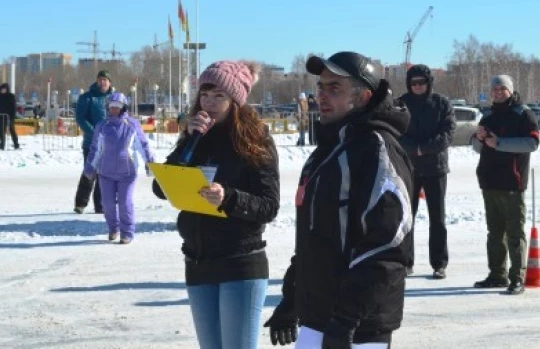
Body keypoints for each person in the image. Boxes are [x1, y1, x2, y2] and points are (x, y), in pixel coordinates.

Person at [265, 52, 413, 349]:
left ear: (362, 97)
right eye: (320, 87)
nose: (322, 95)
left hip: (359, 326)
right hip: (319, 317)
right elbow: (315, 237)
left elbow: (388, 247)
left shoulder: (376, 148)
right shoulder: (330, 149)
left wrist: (347, 320)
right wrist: (293, 299)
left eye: (335, 88)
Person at [152, 60, 280, 349]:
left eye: (218, 96)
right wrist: (188, 142)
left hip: (240, 262)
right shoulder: (196, 138)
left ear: (235, 100)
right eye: (205, 95)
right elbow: (161, 188)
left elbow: (269, 205)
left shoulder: (255, 140)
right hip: (199, 261)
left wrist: (229, 197)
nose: (209, 103)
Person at [471, 75, 540, 295]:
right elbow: (478, 147)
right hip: (489, 181)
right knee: (494, 232)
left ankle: (517, 277)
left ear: (511, 91)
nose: (498, 92)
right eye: (495, 89)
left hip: (512, 181)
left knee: (514, 232)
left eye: (503, 89)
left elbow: (532, 142)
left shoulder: (523, 114)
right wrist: (480, 139)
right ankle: (496, 274)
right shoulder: (488, 115)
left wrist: (499, 143)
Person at [398, 64, 455, 279]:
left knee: (437, 218)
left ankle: (439, 263)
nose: (418, 86)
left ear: (429, 83)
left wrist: (425, 148)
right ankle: (405, 261)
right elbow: (396, 131)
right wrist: (413, 149)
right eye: (414, 83)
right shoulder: (402, 103)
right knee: (406, 217)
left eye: (422, 82)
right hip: (409, 168)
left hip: (436, 168)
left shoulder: (441, 103)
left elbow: (448, 132)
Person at [83, 92, 154, 244]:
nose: (114, 109)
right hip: (106, 173)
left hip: (127, 173)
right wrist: (90, 167)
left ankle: (127, 232)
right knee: (107, 204)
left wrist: (150, 162)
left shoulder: (132, 125)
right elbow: (96, 148)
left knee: (125, 202)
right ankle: (113, 228)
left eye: (118, 106)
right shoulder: (102, 126)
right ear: (108, 107)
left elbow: (143, 145)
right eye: (112, 106)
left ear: (123, 107)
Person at [74, 70, 114, 214]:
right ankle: (80, 203)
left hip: (110, 144)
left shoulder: (114, 98)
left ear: (110, 82)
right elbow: (81, 118)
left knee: (105, 175)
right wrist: (95, 132)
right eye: (100, 79)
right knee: (90, 173)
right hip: (92, 143)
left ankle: (101, 205)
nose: (103, 82)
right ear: (97, 81)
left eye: (105, 80)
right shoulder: (87, 97)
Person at [0, 83, 20, 150]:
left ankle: (16, 144)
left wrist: (12, 117)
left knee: (12, 130)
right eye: (1, 89)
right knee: (1, 131)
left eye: (4, 89)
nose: (2, 90)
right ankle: (2, 145)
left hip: (9, 117)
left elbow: (14, 107)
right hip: (1, 117)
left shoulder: (11, 96)